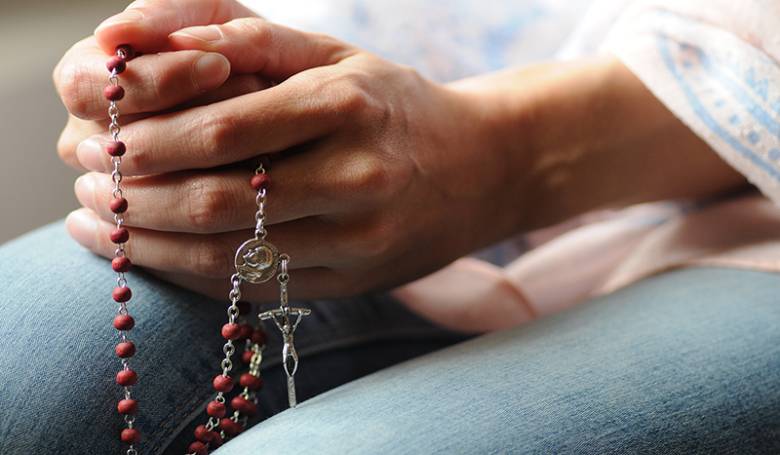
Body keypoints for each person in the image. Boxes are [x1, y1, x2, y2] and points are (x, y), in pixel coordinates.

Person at [0, 0, 778, 453]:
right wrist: (227, 99)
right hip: (382, 158)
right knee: (25, 361)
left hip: (752, 222)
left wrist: (504, 156)